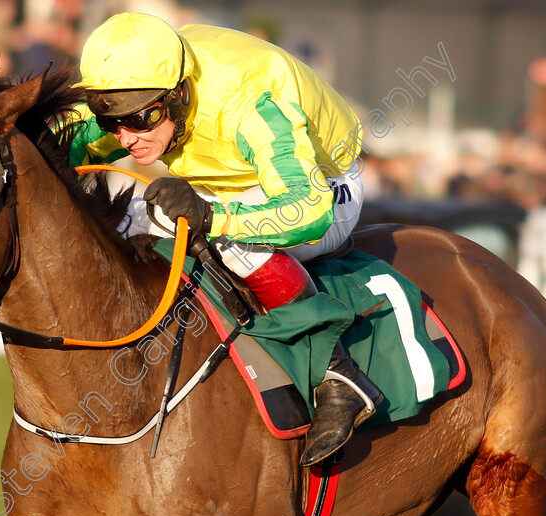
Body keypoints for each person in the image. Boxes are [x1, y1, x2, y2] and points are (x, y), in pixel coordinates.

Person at [68, 12, 382, 467]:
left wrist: (213, 216)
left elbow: (308, 209)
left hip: (325, 186)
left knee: (227, 239)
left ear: (178, 96)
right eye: (111, 120)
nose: (123, 136)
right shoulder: (138, 83)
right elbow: (67, 139)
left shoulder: (248, 99)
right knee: (122, 216)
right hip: (230, 181)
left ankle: (337, 373)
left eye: (139, 119)